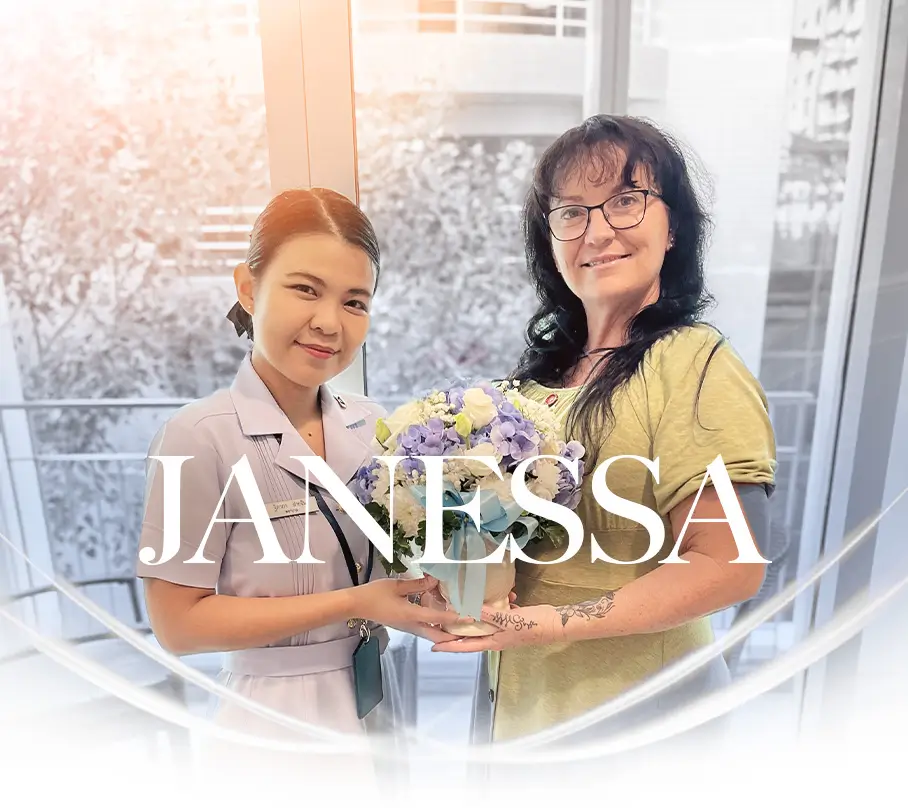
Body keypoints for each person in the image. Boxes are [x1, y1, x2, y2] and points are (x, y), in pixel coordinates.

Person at [433, 115, 778, 747]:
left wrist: (550, 624)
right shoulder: (535, 381)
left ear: (674, 226)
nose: (597, 231)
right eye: (571, 212)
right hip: (519, 705)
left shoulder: (694, 365)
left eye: (625, 201)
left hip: (639, 725)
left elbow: (729, 566)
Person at [135, 188, 463, 780]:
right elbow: (177, 626)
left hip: (375, 695)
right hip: (273, 722)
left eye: (354, 302)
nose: (329, 323)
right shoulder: (197, 436)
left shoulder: (372, 423)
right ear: (248, 287)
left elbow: (389, 556)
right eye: (306, 290)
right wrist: (356, 603)